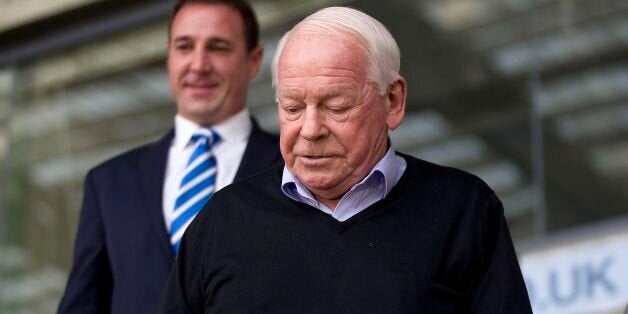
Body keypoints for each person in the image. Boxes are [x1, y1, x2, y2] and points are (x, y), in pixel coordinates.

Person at [160, 6, 532, 314]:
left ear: (393, 101)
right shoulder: (224, 220)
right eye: (291, 107)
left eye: (335, 106)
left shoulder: (462, 210)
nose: (310, 129)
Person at [58, 0, 282, 313]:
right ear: (169, 57)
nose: (199, 65)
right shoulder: (109, 183)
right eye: (184, 47)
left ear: (254, 59)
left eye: (218, 47)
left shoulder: (292, 167)